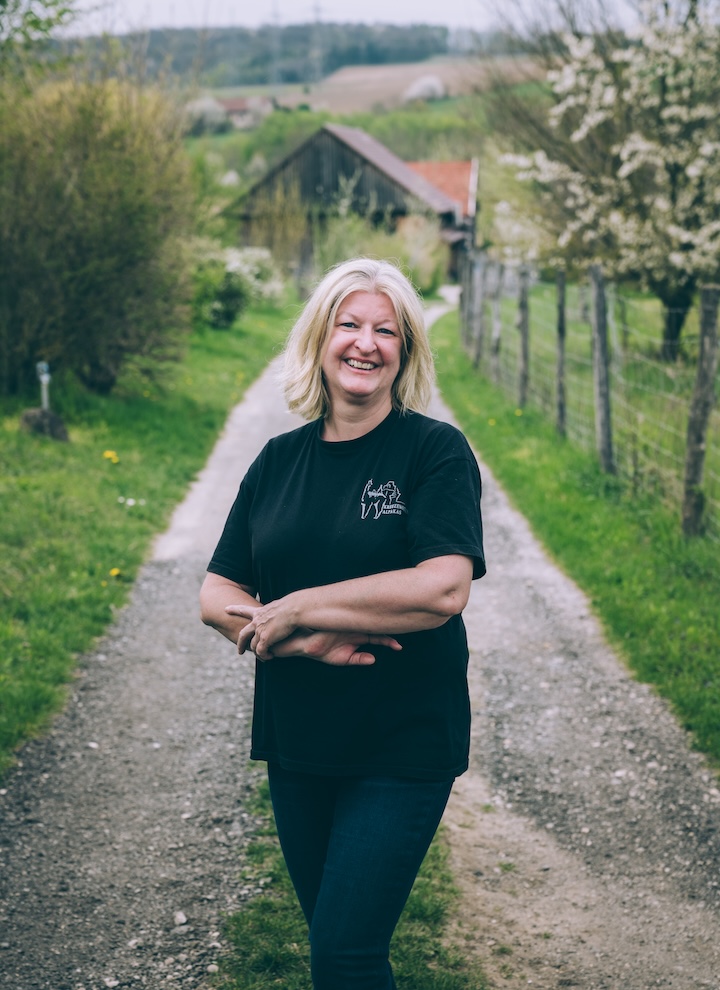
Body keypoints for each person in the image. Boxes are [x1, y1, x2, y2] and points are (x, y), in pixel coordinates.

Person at [199, 257, 485, 989]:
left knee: (346, 952)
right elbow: (217, 592)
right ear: (319, 340)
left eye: (385, 331)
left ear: (406, 350)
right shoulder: (277, 461)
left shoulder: (434, 452)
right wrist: (300, 641)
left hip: (402, 739)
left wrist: (296, 606)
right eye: (349, 325)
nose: (365, 343)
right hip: (298, 738)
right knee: (333, 942)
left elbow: (443, 588)